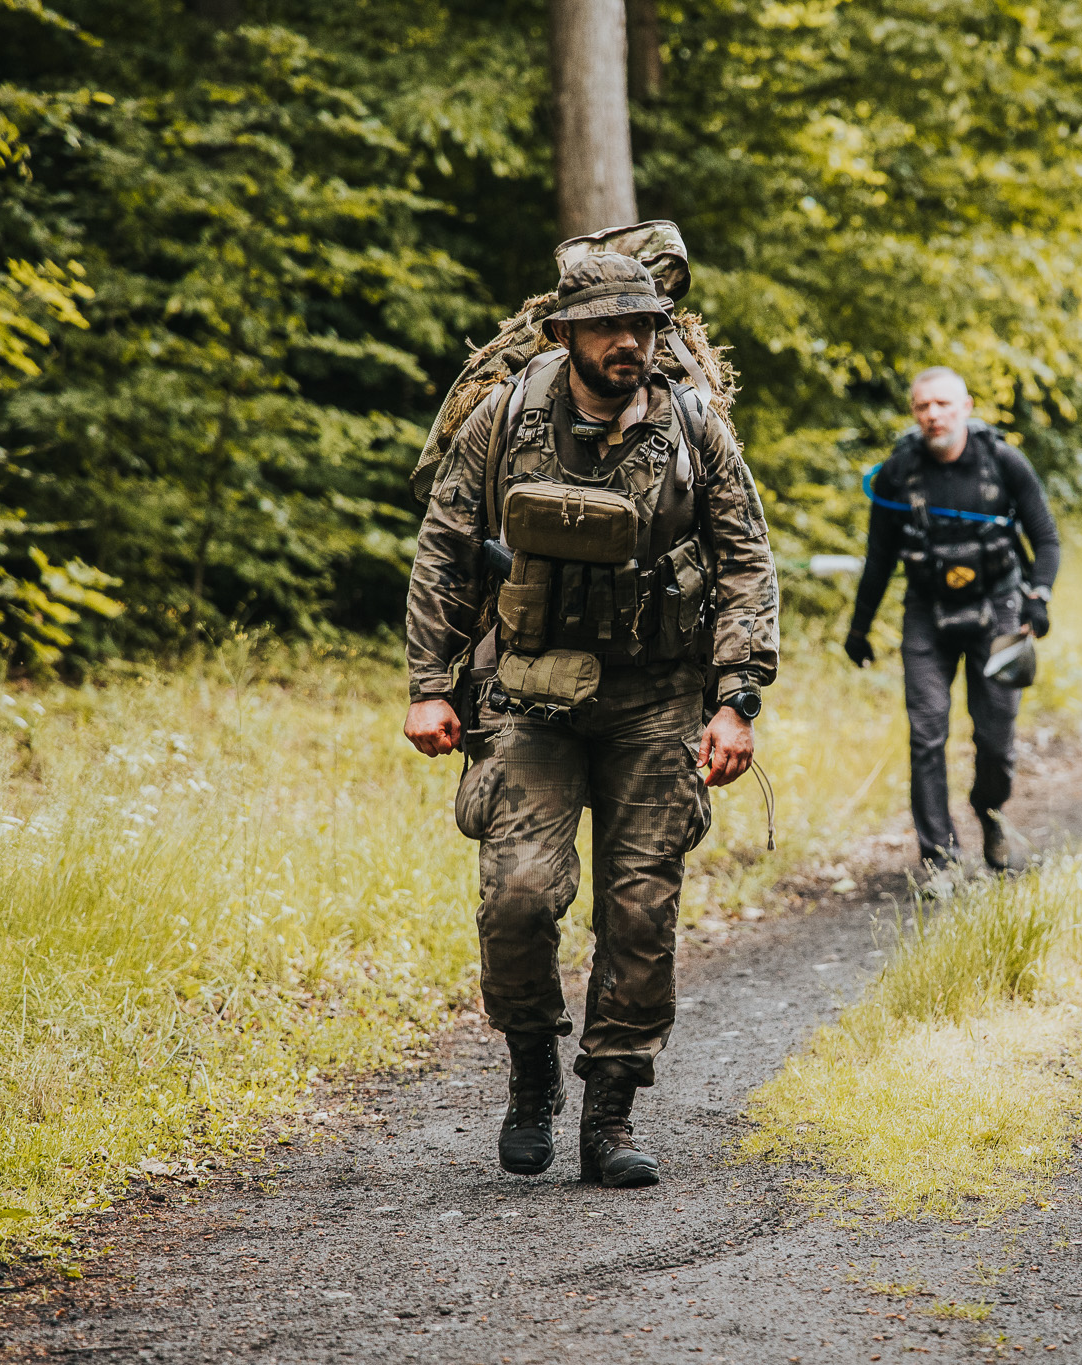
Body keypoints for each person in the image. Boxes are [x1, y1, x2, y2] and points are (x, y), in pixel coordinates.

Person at [402, 249, 779, 1189]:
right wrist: (429, 683)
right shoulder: (505, 418)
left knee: (640, 910)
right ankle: (533, 1069)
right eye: (610, 327)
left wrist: (735, 700)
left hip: (656, 696)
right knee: (520, 896)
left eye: (645, 325)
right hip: (528, 690)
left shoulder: (693, 422)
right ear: (564, 334)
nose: (631, 342)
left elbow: (745, 563)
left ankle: (610, 1111)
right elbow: (445, 549)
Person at [843, 368, 1061, 871]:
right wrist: (858, 629)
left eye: (942, 404)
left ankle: (990, 811)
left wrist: (1039, 598)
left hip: (1000, 610)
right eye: (922, 406)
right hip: (927, 613)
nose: (933, 414)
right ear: (914, 412)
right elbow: (879, 560)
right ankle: (939, 858)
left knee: (996, 741)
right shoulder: (898, 474)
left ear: (966, 406)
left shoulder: (1004, 462)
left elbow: (1046, 540)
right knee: (926, 735)